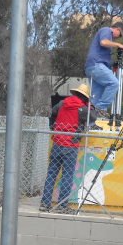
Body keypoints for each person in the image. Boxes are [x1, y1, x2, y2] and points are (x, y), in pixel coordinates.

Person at [40, 83, 96, 213]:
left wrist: (53, 127)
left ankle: (45, 203)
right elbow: (93, 117)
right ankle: (62, 206)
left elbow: (52, 114)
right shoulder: (83, 109)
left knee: (52, 174)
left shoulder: (62, 103)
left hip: (57, 143)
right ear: (85, 97)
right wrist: (90, 106)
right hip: (71, 145)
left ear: (75, 93)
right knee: (67, 175)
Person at [84, 21, 123, 114]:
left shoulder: (108, 38)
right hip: (96, 65)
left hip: (91, 67)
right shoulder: (107, 30)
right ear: (117, 29)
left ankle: (90, 120)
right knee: (114, 83)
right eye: (119, 35)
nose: (117, 38)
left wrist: (112, 65)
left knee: (96, 97)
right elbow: (103, 42)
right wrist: (118, 45)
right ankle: (100, 109)